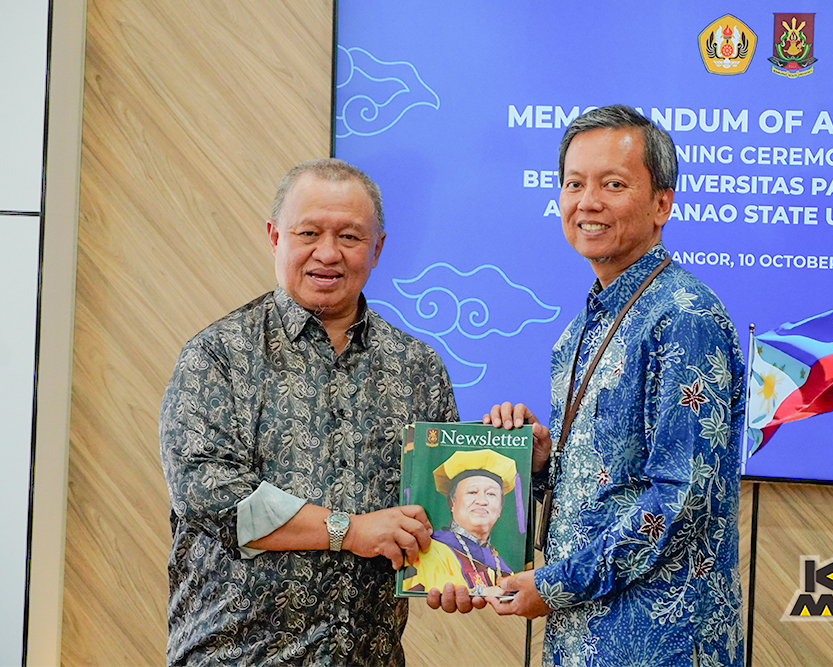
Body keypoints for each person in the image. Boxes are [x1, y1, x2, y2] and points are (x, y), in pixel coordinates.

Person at [432, 105, 746, 667]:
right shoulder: (581, 328)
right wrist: (542, 462)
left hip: (659, 644)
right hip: (580, 640)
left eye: (613, 184)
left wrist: (555, 585)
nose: (588, 202)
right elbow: (609, 484)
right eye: (574, 184)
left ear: (662, 204)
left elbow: (680, 499)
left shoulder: (683, 317)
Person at [160, 158, 458, 666]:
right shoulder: (218, 356)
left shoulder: (418, 368)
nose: (328, 253)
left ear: (377, 248)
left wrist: (459, 569)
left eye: (350, 236)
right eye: (309, 233)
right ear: (275, 237)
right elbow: (209, 495)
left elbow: (444, 505)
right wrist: (351, 530)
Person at [402, 449, 516, 595]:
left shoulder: (498, 563)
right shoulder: (431, 549)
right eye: (472, 492)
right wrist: (481, 592)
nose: (482, 501)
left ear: (500, 508)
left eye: (491, 494)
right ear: (452, 502)